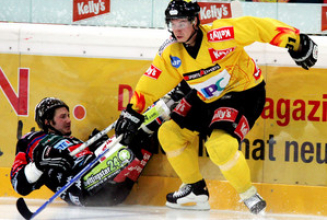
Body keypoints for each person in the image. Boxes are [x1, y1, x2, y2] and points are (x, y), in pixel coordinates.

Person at [115, 0, 318, 214]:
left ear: (195, 21)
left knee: (219, 146)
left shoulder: (220, 34)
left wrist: (295, 41)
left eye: (182, 23)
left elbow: (258, 27)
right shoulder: (171, 52)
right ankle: (195, 190)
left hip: (244, 93)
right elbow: (152, 80)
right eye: (172, 24)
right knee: (169, 133)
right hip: (206, 96)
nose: (177, 30)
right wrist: (132, 111)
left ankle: (248, 195)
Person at [10, 96, 166, 207]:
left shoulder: (75, 142)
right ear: (48, 122)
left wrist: (99, 144)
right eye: (63, 117)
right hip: (81, 188)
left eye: (69, 116)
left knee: (143, 135)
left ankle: (174, 101)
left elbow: (86, 156)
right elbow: (18, 184)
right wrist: (38, 166)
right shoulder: (31, 140)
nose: (69, 120)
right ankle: (123, 150)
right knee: (130, 137)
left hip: (114, 194)